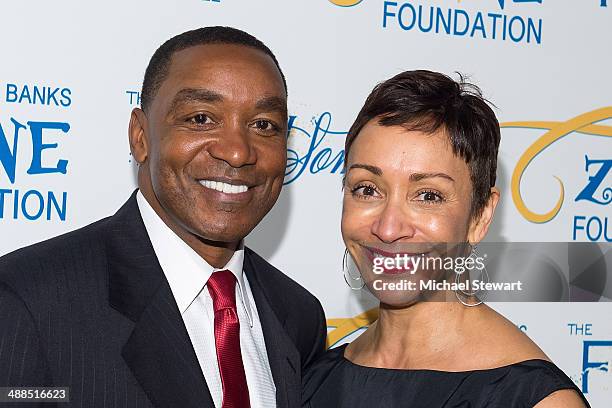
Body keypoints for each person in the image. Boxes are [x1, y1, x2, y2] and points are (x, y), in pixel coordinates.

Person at [0, 26, 326, 408]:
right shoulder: (27, 299)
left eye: (264, 125)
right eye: (202, 118)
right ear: (140, 136)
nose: (238, 152)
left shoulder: (299, 316)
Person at [302, 70, 590, 407]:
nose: (389, 228)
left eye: (428, 196)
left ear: (480, 216)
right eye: (367, 189)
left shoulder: (535, 400)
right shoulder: (312, 379)